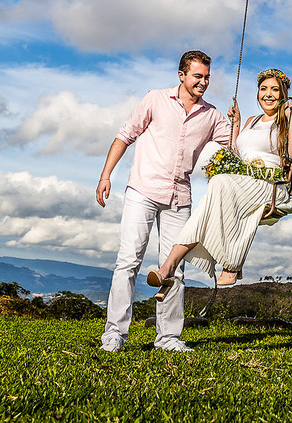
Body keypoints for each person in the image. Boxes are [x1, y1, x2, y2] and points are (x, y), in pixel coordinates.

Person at [96, 50, 232, 353]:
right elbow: (124, 135)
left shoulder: (211, 115)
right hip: (143, 190)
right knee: (128, 261)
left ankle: (168, 339)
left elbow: (236, 145)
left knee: (175, 270)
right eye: (198, 76)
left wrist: (236, 125)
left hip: (180, 198)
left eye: (207, 77)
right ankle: (114, 335)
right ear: (181, 75)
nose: (203, 82)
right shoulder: (155, 99)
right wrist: (106, 176)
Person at [147, 68, 292, 299]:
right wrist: (236, 125)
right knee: (206, 208)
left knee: (220, 184)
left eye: (274, 89)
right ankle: (168, 268)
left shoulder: (289, 121)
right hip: (242, 183)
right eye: (263, 89)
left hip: (270, 187)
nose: (268, 94)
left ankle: (232, 263)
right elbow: (235, 155)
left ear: (283, 94)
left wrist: (291, 118)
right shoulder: (252, 121)